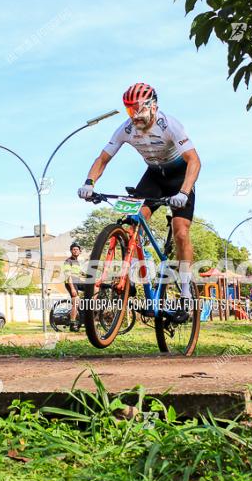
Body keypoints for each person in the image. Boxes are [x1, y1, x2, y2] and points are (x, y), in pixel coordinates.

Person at [78, 82, 202, 320]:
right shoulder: (126, 129)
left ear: (153, 107)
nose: (134, 115)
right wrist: (89, 183)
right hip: (154, 176)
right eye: (129, 110)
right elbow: (103, 159)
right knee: (134, 223)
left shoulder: (170, 125)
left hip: (179, 178)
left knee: (181, 232)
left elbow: (194, 161)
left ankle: (186, 290)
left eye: (138, 109)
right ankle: (139, 273)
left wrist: (184, 193)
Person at [61, 242, 84, 331]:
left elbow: (79, 273)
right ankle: (72, 323)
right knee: (76, 302)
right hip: (70, 282)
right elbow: (68, 276)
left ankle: (89, 307)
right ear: (71, 251)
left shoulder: (76, 262)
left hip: (77, 281)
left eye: (77, 249)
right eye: (73, 249)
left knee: (94, 287)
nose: (75, 251)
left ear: (79, 251)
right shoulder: (68, 261)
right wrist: (72, 288)